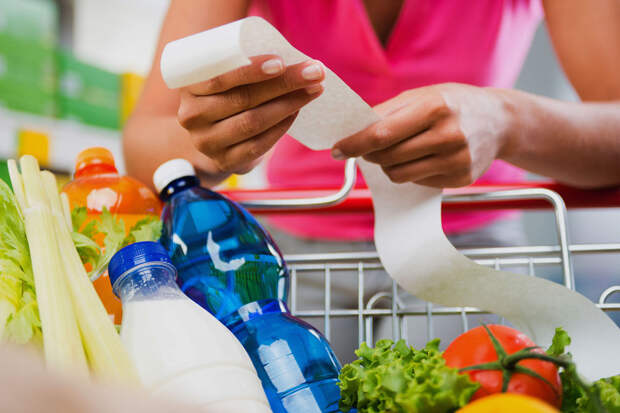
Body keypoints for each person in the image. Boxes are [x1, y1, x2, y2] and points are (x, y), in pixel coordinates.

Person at [123, 0, 620, 359]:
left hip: (467, 243)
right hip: (293, 254)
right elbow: (144, 140)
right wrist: (213, 140)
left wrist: (507, 120)